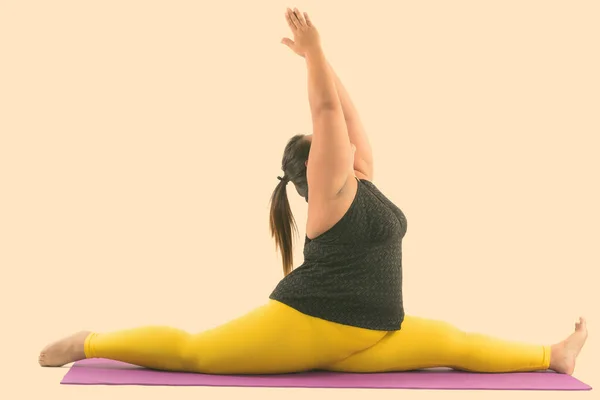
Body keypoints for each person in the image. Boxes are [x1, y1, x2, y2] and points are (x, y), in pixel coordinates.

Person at [39, 7, 587, 376]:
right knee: (195, 351)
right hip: (312, 324)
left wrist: (317, 60)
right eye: (329, 143)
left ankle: (553, 355)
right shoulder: (330, 193)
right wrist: (315, 51)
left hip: (369, 331)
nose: (343, 140)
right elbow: (325, 113)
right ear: (315, 164)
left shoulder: (362, 178)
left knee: (457, 342)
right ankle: (88, 341)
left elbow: (343, 113)